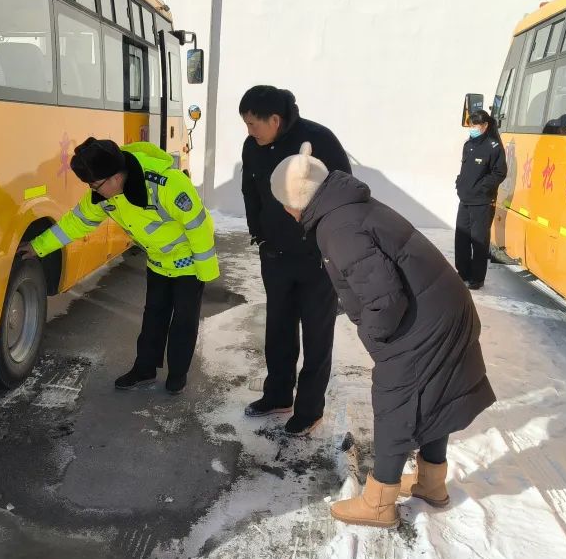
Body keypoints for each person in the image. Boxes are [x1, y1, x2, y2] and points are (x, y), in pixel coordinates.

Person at [271, 143, 496, 528]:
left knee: (397, 403)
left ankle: (378, 503)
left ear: (297, 201)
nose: (287, 213)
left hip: (423, 320)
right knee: (434, 398)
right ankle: (430, 483)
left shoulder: (337, 227)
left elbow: (385, 300)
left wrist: (378, 342)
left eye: (285, 204)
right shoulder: (349, 207)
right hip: (443, 306)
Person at [32, 137, 219, 394]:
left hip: (189, 263)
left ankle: (178, 375)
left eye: (95, 185)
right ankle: (144, 370)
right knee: (153, 317)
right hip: (158, 262)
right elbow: (75, 223)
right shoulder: (105, 195)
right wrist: (37, 247)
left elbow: (198, 227)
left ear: (116, 178)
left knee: (183, 322)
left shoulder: (167, 184)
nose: (93, 191)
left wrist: (205, 272)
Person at [239, 86, 351, 436]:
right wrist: (258, 232)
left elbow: (345, 193)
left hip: (316, 258)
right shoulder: (251, 147)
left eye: (254, 124)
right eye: (245, 124)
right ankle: (277, 396)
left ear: (275, 119)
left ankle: (309, 410)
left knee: (317, 335)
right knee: (279, 329)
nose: (249, 131)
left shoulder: (319, 140)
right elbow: (250, 191)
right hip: (275, 254)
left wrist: (333, 246)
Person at [455, 110, 507, 290]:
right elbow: (465, 170)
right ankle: (462, 272)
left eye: (476, 125)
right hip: (465, 199)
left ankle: (477, 278)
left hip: (482, 202)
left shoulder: (494, 147)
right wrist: (459, 183)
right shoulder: (468, 145)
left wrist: (482, 187)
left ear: (485, 126)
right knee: (461, 238)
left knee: (478, 241)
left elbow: (500, 173)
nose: (472, 129)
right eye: (471, 125)